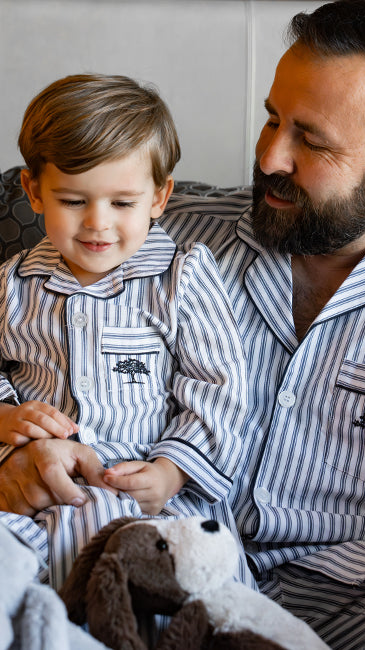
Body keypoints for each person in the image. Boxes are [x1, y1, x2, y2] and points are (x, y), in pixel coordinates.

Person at [0, 2, 365, 649]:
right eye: (271, 119)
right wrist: (12, 451)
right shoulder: (158, 239)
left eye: (310, 140)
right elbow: (35, 347)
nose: (268, 156)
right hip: (164, 568)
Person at [0, 73, 247, 592]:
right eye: (72, 200)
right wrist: (6, 418)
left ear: (159, 197)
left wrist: (172, 471)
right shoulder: (13, 283)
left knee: (193, 579)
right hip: (40, 500)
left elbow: (219, 389)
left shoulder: (182, 276)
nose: (97, 224)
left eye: (122, 203)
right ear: (33, 191)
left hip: (151, 497)